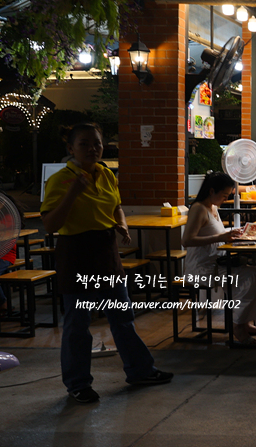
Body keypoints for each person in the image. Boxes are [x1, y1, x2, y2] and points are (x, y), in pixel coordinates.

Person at [41, 123, 171, 404]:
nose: (93, 149)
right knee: (78, 322)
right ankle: (78, 383)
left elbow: (116, 206)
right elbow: (50, 224)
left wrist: (121, 224)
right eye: (84, 144)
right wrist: (74, 192)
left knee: (122, 317)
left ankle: (140, 371)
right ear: (71, 148)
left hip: (106, 250)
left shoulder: (107, 175)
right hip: (76, 252)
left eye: (97, 143)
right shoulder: (61, 180)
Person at [181, 171, 256, 344]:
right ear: (211, 191)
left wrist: (235, 235)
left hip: (217, 263)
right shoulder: (199, 208)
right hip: (202, 268)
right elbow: (186, 240)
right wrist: (221, 237)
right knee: (251, 278)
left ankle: (246, 322)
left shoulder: (213, 207)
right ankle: (238, 325)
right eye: (223, 195)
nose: (225, 199)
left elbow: (216, 234)